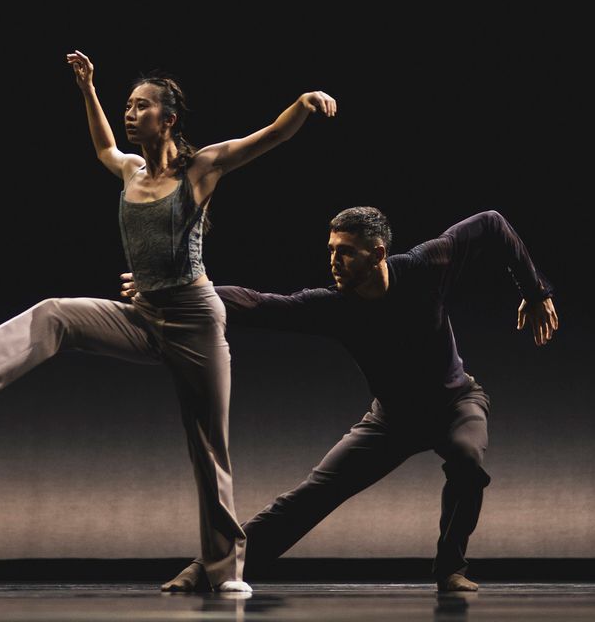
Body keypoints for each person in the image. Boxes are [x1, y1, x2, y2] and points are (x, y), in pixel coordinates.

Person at [0, 50, 337, 593]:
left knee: (209, 447)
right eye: (127, 107)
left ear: (169, 118)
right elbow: (103, 147)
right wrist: (88, 88)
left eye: (141, 107)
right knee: (57, 313)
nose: (130, 114)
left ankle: (226, 571)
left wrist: (303, 103)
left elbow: (269, 137)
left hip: (195, 322)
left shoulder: (200, 169)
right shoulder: (130, 170)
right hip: (143, 316)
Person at [121, 206, 558, 593]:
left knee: (467, 460)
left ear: (378, 253)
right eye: (331, 250)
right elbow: (257, 304)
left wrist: (535, 291)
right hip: (391, 422)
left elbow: (492, 224)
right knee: (309, 497)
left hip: (456, 402)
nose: (334, 261)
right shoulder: (333, 305)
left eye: (346, 252)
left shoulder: (426, 265)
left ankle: (450, 569)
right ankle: (207, 570)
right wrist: (174, 293)